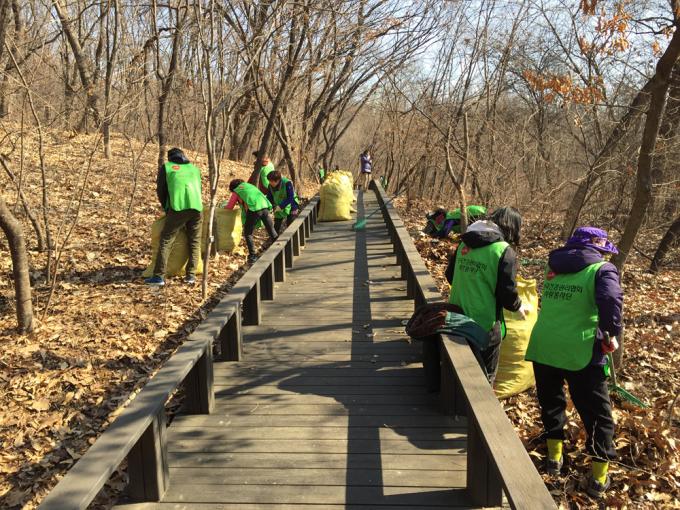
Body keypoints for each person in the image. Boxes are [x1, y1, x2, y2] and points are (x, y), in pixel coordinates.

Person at [525, 227, 622, 499]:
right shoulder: (603, 270)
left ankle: (555, 460)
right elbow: (611, 301)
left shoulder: (554, 265)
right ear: (599, 248)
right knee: (597, 414)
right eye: (604, 251)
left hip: (544, 344)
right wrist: (609, 333)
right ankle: (599, 478)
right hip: (580, 349)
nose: (605, 255)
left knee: (551, 401)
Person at [445, 207, 527, 383]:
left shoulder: (464, 243)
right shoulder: (504, 251)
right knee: (485, 375)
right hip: (483, 324)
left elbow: (450, 276)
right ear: (513, 226)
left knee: (460, 367)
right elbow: (507, 295)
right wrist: (519, 306)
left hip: (455, 315)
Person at [145, 147, 202, 286]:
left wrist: (166, 207)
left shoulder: (168, 168)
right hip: (197, 207)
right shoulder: (194, 168)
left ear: (170, 158)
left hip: (177, 207)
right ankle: (191, 276)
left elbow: (161, 190)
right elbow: (198, 187)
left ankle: (158, 276)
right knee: (194, 241)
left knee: (166, 240)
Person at [225, 179, 278, 263]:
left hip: (254, 210)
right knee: (271, 229)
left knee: (248, 233)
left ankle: (253, 255)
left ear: (233, 188)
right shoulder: (250, 186)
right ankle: (279, 248)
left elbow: (230, 206)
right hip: (265, 206)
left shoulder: (237, 191)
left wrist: (224, 206)